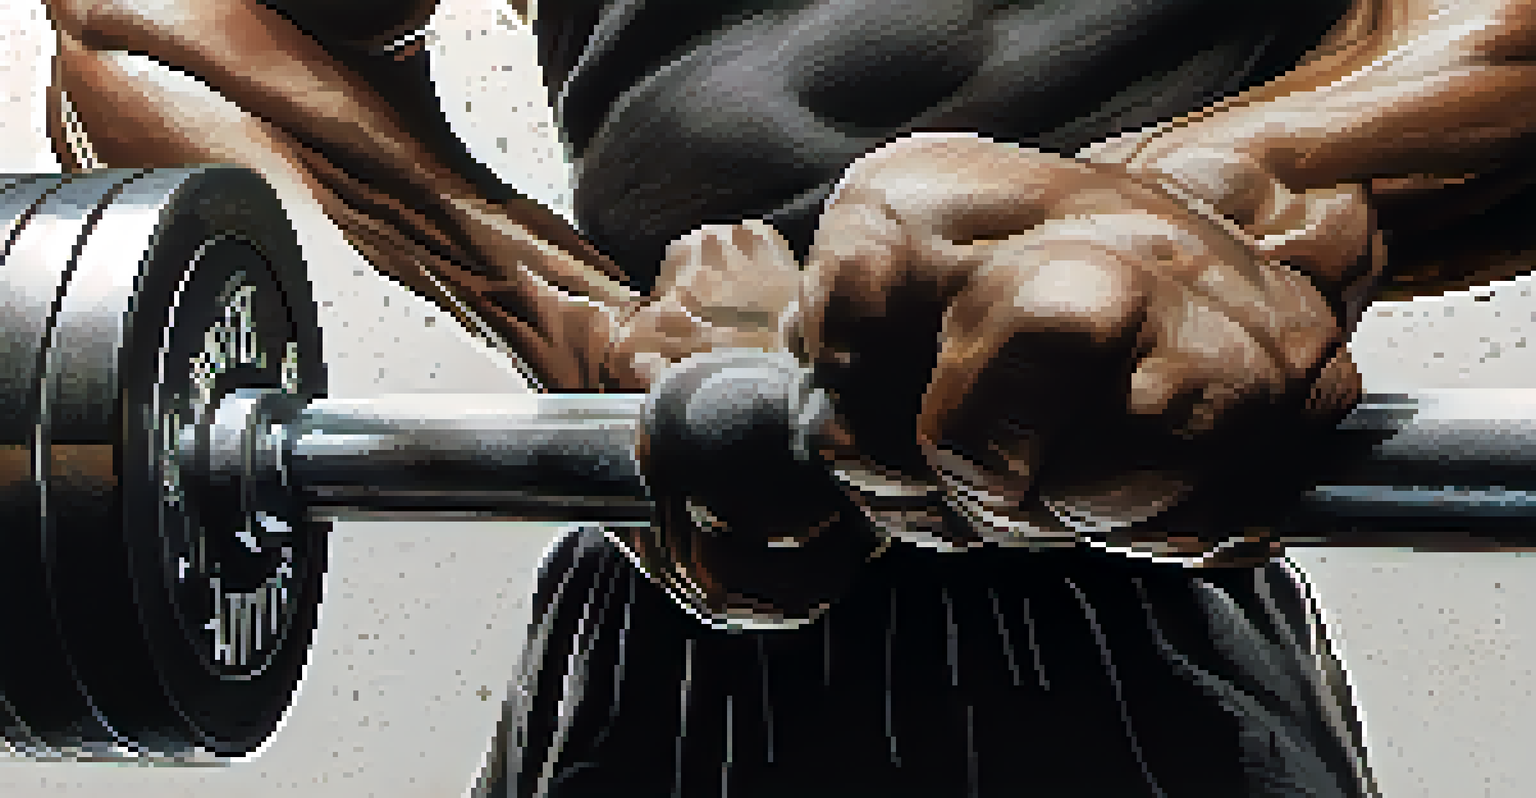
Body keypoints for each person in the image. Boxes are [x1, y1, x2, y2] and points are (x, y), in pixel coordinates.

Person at [38, 0, 1536, 795]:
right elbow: (148, 20)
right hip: (689, 557)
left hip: (1134, 573)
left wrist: (1210, 198)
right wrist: (582, 326)